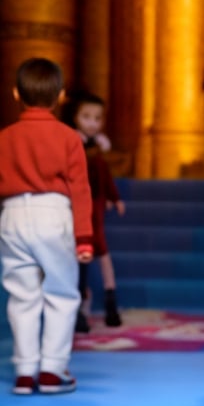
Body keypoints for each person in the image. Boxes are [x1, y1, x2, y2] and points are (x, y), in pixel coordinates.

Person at [0, 58, 93, 394]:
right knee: (62, 293)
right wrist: (84, 237)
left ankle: (25, 371)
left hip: (11, 214)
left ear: (15, 94)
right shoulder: (69, 137)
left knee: (21, 295)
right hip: (53, 214)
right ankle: (52, 370)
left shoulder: (5, 137)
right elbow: (80, 189)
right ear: (61, 95)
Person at [66, 90, 126, 330]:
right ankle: (80, 306)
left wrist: (113, 197)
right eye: (86, 116)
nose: (92, 123)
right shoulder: (71, 143)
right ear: (75, 117)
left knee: (101, 252)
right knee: (80, 255)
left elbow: (103, 174)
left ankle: (111, 299)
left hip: (97, 204)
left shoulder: (99, 148)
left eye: (97, 118)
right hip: (78, 205)